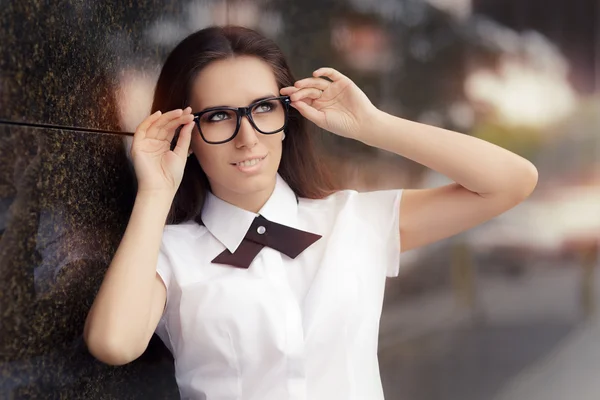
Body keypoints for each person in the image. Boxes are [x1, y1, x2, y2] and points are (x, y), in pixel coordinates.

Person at [83, 26, 538, 399]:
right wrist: (156, 192)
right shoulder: (168, 254)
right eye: (219, 116)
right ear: (188, 131)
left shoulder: (353, 222)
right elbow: (114, 342)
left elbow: (512, 182)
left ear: (287, 116)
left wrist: (373, 126)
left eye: (263, 108)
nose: (248, 138)